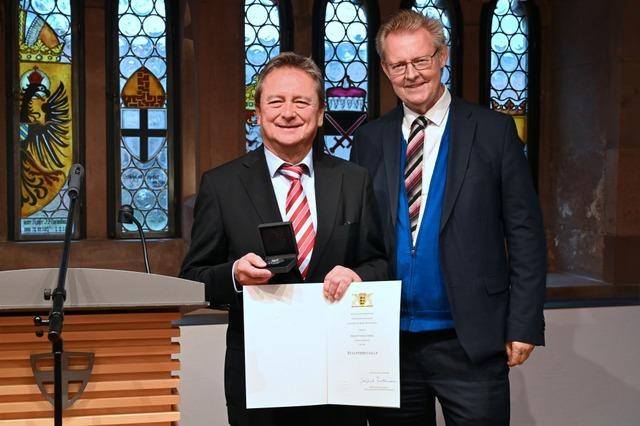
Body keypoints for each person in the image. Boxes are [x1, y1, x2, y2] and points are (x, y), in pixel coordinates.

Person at [350, 10, 546, 426]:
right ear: (385, 70)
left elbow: (525, 231)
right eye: (399, 64)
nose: (412, 73)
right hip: (389, 342)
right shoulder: (369, 139)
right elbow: (359, 233)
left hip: (472, 337)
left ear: (442, 57)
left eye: (420, 60)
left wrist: (524, 321)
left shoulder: (493, 131)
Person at [180, 52, 386, 426]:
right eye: (275, 101)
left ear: (321, 113)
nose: (288, 112)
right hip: (261, 378)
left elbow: (379, 262)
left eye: (301, 101)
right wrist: (235, 276)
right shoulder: (222, 185)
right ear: (257, 113)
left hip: (339, 375)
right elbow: (193, 277)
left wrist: (358, 277)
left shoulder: (353, 180)